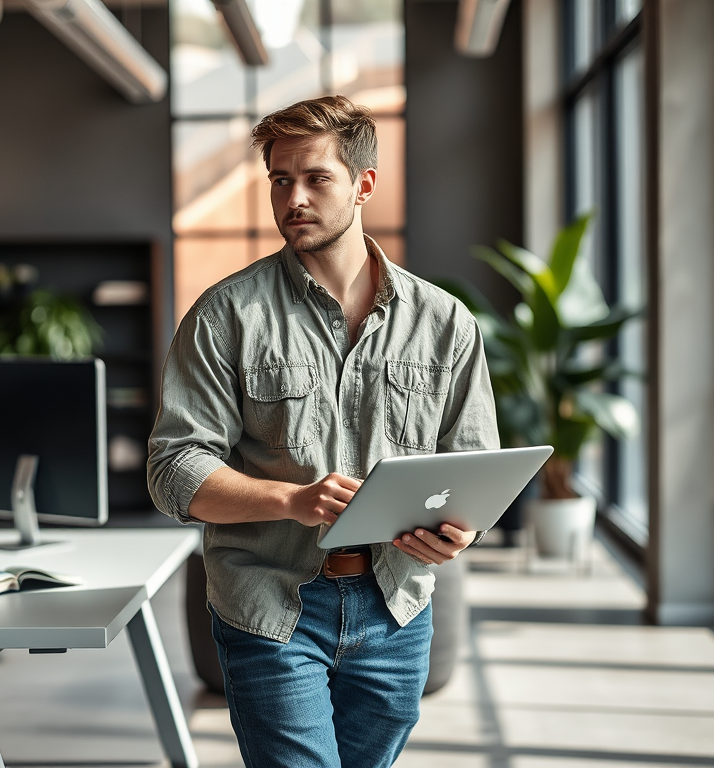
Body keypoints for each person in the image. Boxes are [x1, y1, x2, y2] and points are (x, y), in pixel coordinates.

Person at [147, 95, 499, 768]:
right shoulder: (226, 315)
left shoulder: (446, 322)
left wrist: (461, 529)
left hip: (396, 606)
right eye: (280, 180)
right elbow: (173, 468)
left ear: (365, 184)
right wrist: (290, 500)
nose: (293, 198)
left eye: (315, 178)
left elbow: (473, 462)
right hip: (271, 605)